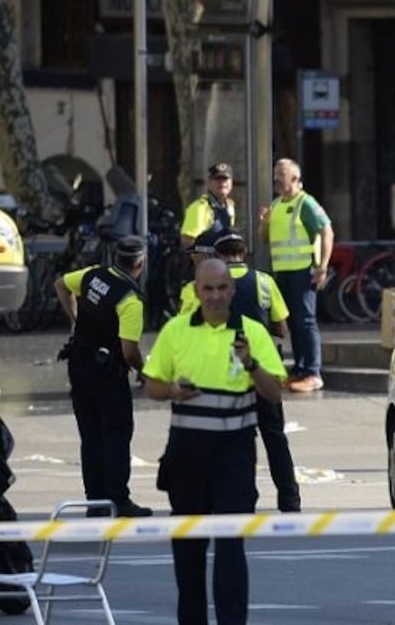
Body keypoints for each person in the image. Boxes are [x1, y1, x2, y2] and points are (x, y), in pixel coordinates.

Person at [142, 258, 287, 624]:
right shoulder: (176, 331)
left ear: (233, 290)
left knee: (230, 550)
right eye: (208, 288)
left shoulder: (252, 333)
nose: (216, 296)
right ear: (196, 291)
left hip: (233, 458)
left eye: (222, 288)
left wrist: (252, 364)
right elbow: (151, 386)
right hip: (187, 458)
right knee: (188, 554)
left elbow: (274, 393)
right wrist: (174, 390)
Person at [178, 230, 301, 512]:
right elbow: (282, 327)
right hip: (261, 369)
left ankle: (233, 496)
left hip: (221, 374)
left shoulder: (203, 286)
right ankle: (289, 498)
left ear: (218, 257)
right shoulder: (264, 281)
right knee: (274, 436)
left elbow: (187, 328)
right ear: (244, 253)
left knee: (228, 439)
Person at [52, 235, 153, 518]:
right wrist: (143, 372)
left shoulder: (93, 275)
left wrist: (75, 321)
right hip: (107, 373)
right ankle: (118, 500)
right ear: (141, 263)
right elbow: (129, 350)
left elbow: (60, 284)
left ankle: (95, 501)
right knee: (116, 435)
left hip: (79, 364)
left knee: (91, 435)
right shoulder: (130, 300)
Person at [258, 157, 334, 393]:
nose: (277, 179)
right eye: (276, 175)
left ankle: (313, 372)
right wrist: (264, 223)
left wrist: (322, 266)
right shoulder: (277, 204)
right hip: (283, 273)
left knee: (305, 321)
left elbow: (327, 231)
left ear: (295, 178)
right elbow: (264, 239)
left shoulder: (306, 203)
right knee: (292, 322)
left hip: (303, 271)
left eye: (282, 174)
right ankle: (300, 369)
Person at [180, 162, 237, 249]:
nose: (222, 183)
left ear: (231, 183)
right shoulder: (198, 208)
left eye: (225, 179)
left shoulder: (229, 207)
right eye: (217, 179)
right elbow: (187, 241)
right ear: (208, 182)